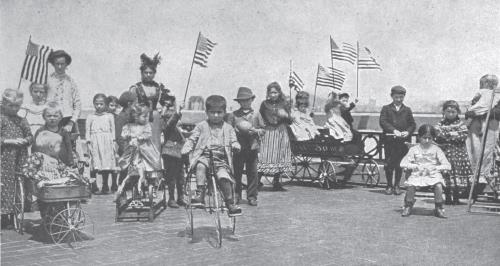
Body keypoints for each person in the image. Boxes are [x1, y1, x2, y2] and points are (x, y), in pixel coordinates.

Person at [181, 95, 242, 215]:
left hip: (221, 160)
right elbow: (193, 139)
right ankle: (200, 194)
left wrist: (236, 145)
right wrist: (187, 147)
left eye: (219, 112)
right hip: (205, 156)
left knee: (224, 177)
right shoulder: (201, 126)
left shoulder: (228, 128)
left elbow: (233, 140)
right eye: (212, 112)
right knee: (200, 166)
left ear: (224, 112)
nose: (215, 115)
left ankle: (230, 203)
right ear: (206, 112)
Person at [400, 124, 451, 218]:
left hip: (432, 174)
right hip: (418, 174)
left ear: (433, 138)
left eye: (430, 138)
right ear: (419, 137)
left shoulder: (436, 149)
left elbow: (447, 165)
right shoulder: (414, 149)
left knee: (438, 185)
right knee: (411, 185)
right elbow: (403, 163)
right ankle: (408, 205)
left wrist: (436, 168)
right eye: (424, 138)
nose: (427, 140)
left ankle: (439, 207)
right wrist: (414, 166)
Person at [1, 89, 32, 228]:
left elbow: (30, 136)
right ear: (4, 104)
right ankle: (3, 215)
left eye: (17, 106)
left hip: (20, 157)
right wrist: (9, 141)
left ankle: (15, 212)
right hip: (4, 157)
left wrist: (25, 140)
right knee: (4, 185)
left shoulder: (22, 120)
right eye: (11, 106)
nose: (14, 109)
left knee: (18, 183)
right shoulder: (2, 119)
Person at [226, 87, 262, 206]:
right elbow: (228, 130)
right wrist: (236, 131)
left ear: (251, 100)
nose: (245, 102)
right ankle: (236, 195)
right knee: (237, 172)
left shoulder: (257, 114)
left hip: (252, 147)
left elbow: (263, 129)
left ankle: (252, 196)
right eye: (242, 100)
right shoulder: (233, 115)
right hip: (239, 148)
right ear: (239, 102)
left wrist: (256, 131)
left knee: (253, 173)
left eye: (247, 100)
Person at [465, 74, 500, 199]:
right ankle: (474, 188)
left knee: (487, 156)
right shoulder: (480, 95)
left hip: (491, 127)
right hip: (476, 128)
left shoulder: (496, 96)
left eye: (483, 83)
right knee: (475, 155)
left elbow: (495, 111)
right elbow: (471, 109)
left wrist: (476, 112)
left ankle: (483, 187)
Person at [116, 104, 161, 198]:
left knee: (149, 167)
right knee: (131, 167)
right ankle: (132, 187)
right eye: (144, 116)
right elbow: (123, 135)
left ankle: (152, 186)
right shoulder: (128, 126)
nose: (146, 118)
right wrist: (127, 136)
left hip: (145, 150)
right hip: (133, 150)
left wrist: (140, 137)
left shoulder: (146, 126)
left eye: (147, 116)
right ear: (136, 117)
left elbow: (148, 134)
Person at [379, 85, 416, 195]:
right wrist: (393, 130)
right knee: (389, 164)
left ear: (404, 97)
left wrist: (408, 132)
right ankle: (389, 185)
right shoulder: (386, 108)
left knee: (400, 164)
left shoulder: (407, 110)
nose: (399, 99)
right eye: (396, 97)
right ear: (392, 96)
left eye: (401, 97)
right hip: (390, 141)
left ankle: (397, 185)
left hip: (402, 142)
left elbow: (412, 124)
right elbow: (383, 122)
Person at [435, 100, 473, 204]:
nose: (450, 114)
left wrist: (448, 135)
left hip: (459, 154)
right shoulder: (440, 124)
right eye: (448, 112)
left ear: (457, 112)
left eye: (453, 112)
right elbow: (438, 135)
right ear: (444, 112)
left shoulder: (461, 124)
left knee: (458, 174)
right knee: (446, 174)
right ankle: (447, 197)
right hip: (445, 153)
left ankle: (456, 197)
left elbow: (463, 136)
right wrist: (453, 134)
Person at [256, 82, 292, 191]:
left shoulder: (284, 104)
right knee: (266, 155)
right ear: (268, 93)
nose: (273, 95)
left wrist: (285, 115)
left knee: (279, 156)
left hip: (281, 131)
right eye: (271, 93)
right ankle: (257, 181)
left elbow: (290, 121)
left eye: (275, 92)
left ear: (279, 92)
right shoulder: (264, 104)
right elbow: (260, 118)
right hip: (269, 132)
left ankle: (276, 182)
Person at [86, 94, 118, 194]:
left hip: (106, 143)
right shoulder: (90, 116)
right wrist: (88, 142)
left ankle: (105, 185)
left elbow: (113, 130)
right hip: (95, 142)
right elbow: (87, 130)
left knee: (106, 164)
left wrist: (113, 142)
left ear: (106, 105)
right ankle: (94, 185)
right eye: (96, 104)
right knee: (94, 163)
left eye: (101, 104)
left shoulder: (110, 116)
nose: (99, 106)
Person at [160, 93, 186, 208]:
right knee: (171, 177)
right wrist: (177, 112)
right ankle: (171, 199)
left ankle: (180, 197)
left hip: (179, 151)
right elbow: (169, 124)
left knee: (180, 176)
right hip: (169, 151)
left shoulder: (173, 118)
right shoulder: (164, 117)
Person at [46, 50, 81, 134]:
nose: (60, 66)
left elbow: (77, 104)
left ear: (66, 64)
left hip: (67, 120)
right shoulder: (47, 81)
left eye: (62, 64)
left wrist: (71, 122)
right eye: (57, 64)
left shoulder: (71, 82)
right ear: (53, 64)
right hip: (51, 120)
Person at [115, 91, 137, 185]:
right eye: (136, 102)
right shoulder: (121, 117)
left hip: (134, 148)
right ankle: (122, 191)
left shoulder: (134, 115)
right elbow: (118, 136)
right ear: (129, 104)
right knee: (124, 171)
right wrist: (125, 149)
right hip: (126, 150)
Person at [107, 95, 120, 191]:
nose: (114, 108)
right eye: (111, 105)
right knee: (106, 164)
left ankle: (115, 183)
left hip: (115, 142)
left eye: (116, 106)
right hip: (106, 142)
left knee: (115, 163)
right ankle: (105, 184)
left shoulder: (117, 117)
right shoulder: (105, 116)